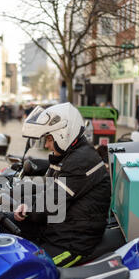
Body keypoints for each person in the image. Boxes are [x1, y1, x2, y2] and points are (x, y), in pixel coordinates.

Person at [12, 103, 111, 268]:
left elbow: (50, 204)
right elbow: (50, 190)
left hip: (72, 243)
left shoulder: (79, 161)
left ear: (63, 134)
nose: (46, 145)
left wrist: (27, 206)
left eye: (49, 139)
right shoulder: (70, 155)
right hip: (59, 230)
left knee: (31, 270)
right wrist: (21, 198)